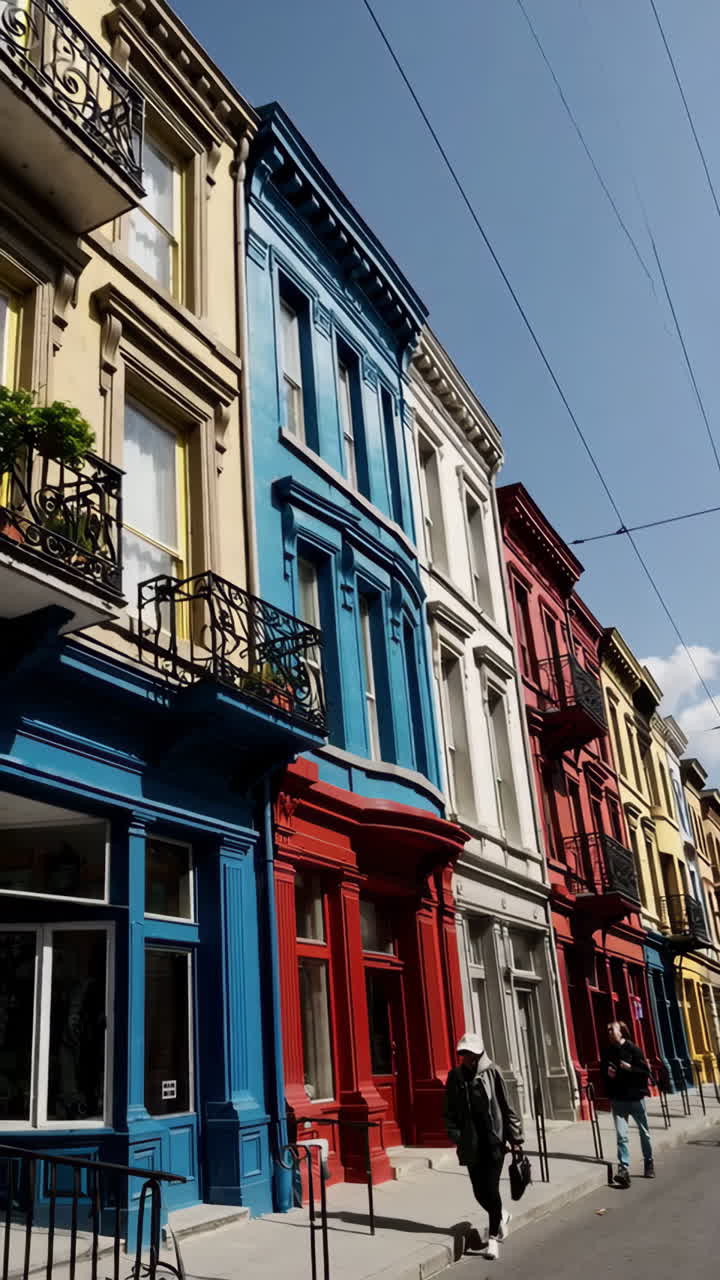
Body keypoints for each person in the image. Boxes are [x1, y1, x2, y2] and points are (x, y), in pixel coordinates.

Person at [444, 1032, 524, 1261]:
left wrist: (516, 1138)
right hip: (470, 1143)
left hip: (493, 1141)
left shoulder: (493, 1072)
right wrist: (456, 1136)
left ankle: (492, 1240)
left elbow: (506, 1106)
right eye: (464, 1053)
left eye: (470, 1053)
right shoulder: (456, 1077)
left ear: (479, 1054)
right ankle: (501, 1215)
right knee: (479, 1192)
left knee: (491, 1188)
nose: (467, 1058)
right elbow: (448, 1110)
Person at [600, 1020, 655, 1188]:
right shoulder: (608, 1052)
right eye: (608, 1030)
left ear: (621, 1032)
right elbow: (603, 1071)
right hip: (619, 1099)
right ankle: (623, 1169)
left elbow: (645, 1071)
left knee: (644, 1132)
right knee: (621, 1136)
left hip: (635, 1098)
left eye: (612, 1029)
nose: (609, 1032)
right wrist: (608, 1074)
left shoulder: (633, 1049)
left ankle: (649, 1162)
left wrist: (630, 1067)